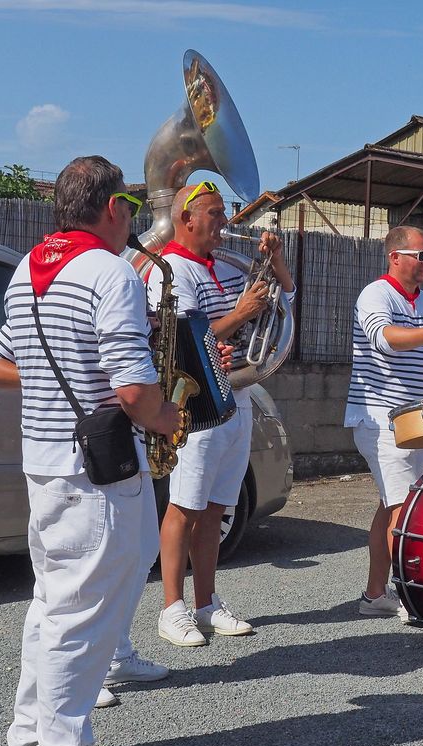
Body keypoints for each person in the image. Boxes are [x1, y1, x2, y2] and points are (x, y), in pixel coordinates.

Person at [0, 156, 181, 746]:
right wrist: (168, 416)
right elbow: (131, 390)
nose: (134, 223)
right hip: (94, 468)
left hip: (46, 461)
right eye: (131, 210)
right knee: (82, 613)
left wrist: (61, 383)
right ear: (113, 207)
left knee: (53, 604)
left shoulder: (26, 269)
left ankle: (29, 738)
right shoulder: (109, 273)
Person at [146, 180, 295, 647]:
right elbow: (184, 337)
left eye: (223, 212)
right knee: (183, 506)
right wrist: (239, 314)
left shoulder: (225, 267)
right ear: (185, 219)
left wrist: (276, 263)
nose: (224, 223)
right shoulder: (170, 268)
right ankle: (172, 608)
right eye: (214, 214)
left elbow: (284, 303)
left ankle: (206, 603)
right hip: (196, 404)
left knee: (216, 507)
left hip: (237, 397)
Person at [344, 226, 423, 617]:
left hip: (416, 418)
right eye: (421, 255)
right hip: (380, 417)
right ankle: (420, 596)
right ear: (395, 256)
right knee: (406, 510)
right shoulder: (375, 294)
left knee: (392, 506)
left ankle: (374, 596)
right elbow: (385, 338)